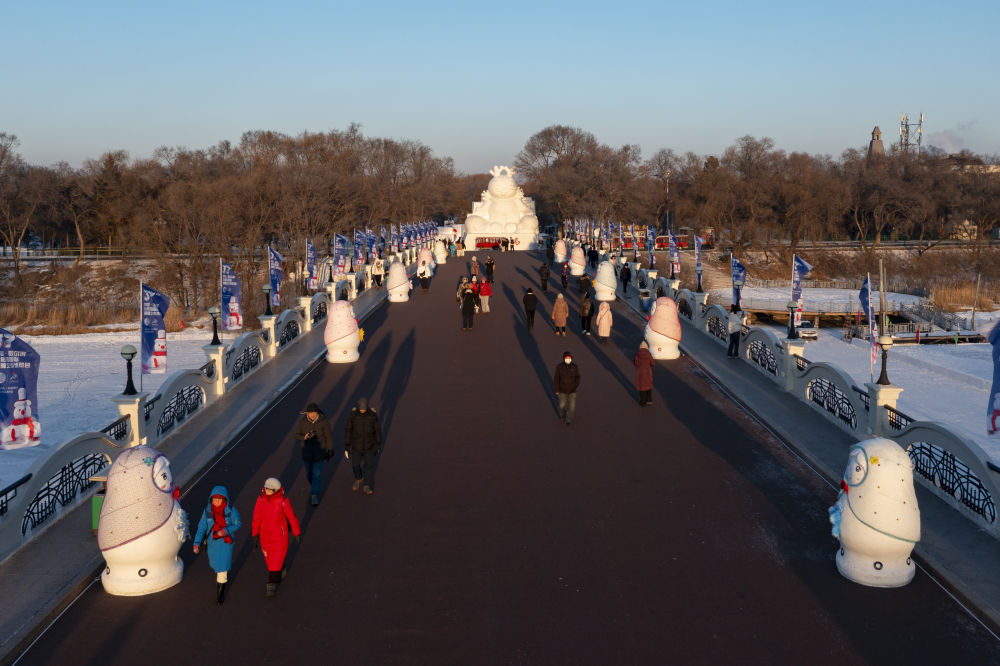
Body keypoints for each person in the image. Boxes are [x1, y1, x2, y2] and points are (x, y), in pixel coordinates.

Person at [251, 477, 301, 597]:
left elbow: (292, 517)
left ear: (276, 490)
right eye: (266, 487)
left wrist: (296, 532)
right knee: (269, 561)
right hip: (265, 537)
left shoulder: (283, 501)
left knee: (274, 564)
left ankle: (271, 585)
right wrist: (255, 533)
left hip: (280, 537)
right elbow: (256, 517)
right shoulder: (260, 499)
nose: (267, 490)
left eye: (270, 489)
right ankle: (281, 567)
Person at [193, 485, 241, 604]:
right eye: (214, 499)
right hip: (212, 544)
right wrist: (196, 543)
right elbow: (202, 527)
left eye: (219, 499)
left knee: (222, 569)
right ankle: (222, 581)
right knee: (215, 565)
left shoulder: (231, 511)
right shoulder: (208, 511)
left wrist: (226, 531)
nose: (216, 501)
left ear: (224, 499)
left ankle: (220, 592)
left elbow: (237, 524)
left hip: (225, 544)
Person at [294, 402, 334, 506]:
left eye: (314, 412)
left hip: (319, 453)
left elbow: (328, 437)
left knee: (317, 474)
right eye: (310, 412)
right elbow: (296, 435)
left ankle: (314, 494)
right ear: (307, 413)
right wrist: (304, 437)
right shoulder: (302, 422)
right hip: (306, 453)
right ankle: (315, 486)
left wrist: (330, 449)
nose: (312, 414)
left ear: (317, 413)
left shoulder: (324, 422)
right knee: (309, 475)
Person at [345, 398, 382, 494]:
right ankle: (358, 478)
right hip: (356, 446)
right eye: (361, 408)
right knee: (355, 465)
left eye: (364, 408)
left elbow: (377, 431)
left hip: (369, 446)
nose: (362, 410)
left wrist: (377, 445)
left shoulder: (372, 416)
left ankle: (366, 485)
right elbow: (348, 431)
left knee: (369, 466)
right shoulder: (352, 416)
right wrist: (347, 447)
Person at [553, 351, 581, 425]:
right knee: (562, 405)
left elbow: (578, 377)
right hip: (562, 390)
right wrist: (556, 389)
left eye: (569, 358)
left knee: (572, 406)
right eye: (566, 358)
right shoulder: (559, 367)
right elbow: (556, 378)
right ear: (563, 359)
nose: (568, 359)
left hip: (572, 390)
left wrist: (575, 385)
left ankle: (569, 419)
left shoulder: (575, 367)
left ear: (571, 358)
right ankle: (561, 413)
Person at [634, 341, 655, 406]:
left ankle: (643, 402)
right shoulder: (649, 355)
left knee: (642, 386)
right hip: (648, 372)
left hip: (640, 373)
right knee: (648, 385)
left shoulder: (637, 355)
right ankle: (649, 400)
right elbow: (653, 363)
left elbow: (636, 363)